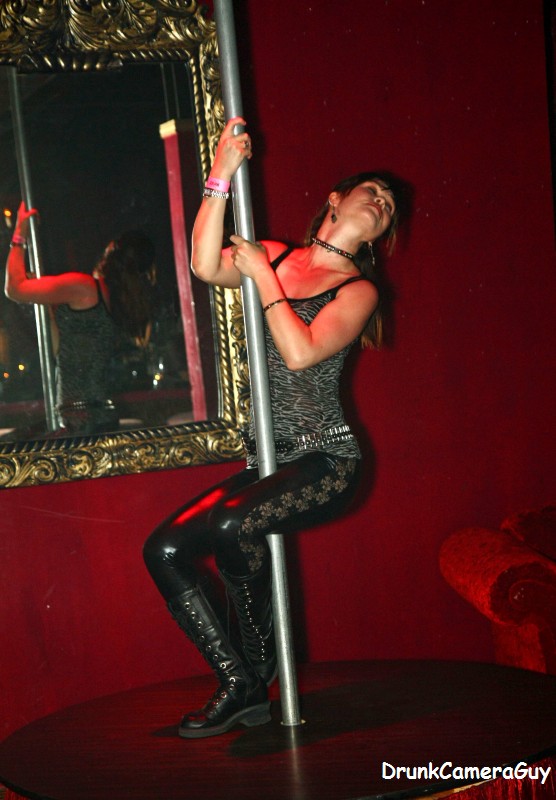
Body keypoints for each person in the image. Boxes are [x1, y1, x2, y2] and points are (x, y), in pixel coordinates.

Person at [143, 117, 405, 739]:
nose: (382, 202)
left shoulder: (357, 289)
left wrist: (263, 276)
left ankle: (252, 674)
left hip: (326, 460)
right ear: (336, 199)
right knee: (165, 549)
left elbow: (300, 352)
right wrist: (221, 172)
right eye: (372, 190)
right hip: (268, 458)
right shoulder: (279, 254)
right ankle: (240, 682)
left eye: (390, 206)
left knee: (233, 524)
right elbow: (204, 264)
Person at [5, 202, 156, 435]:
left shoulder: (84, 288)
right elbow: (62, 351)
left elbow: (14, 288)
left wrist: (19, 236)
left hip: (79, 420)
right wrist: (46, 307)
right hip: (94, 417)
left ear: (110, 251)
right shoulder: (119, 303)